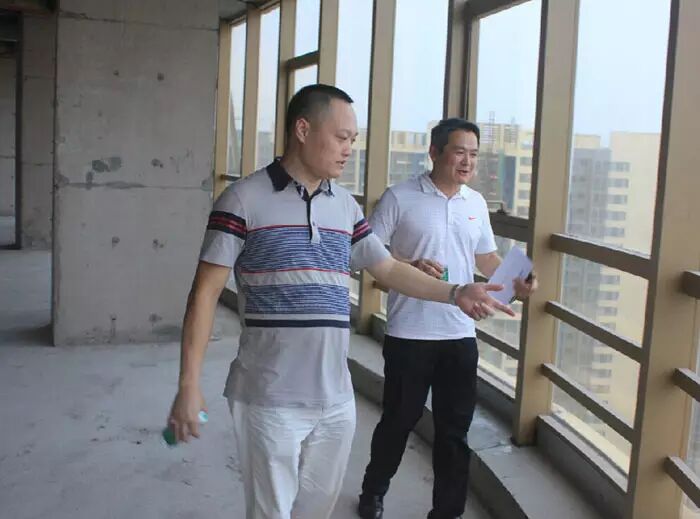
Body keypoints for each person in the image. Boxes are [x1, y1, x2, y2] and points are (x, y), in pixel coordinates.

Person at [166, 88, 515, 519]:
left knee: (317, 510)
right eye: (341, 137)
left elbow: (387, 268)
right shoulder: (242, 200)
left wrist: (456, 293)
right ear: (303, 129)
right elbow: (203, 295)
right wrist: (189, 384)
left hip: (335, 399)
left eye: (353, 140)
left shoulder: (345, 206)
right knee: (271, 512)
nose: (349, 149)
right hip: (268, 395)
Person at [358, 118, 538, 519]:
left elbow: (485, 257)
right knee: (399, 421)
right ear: (435, 152)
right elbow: (371, 254)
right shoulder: (399, 197)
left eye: (473, 154)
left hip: (459, 333)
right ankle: (373, 491)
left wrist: (517, 281)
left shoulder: (475, 203)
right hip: (409, 332)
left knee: (454, 431)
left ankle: (447, 512)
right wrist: (409, 264)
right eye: (459, 152)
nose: (467, 161)